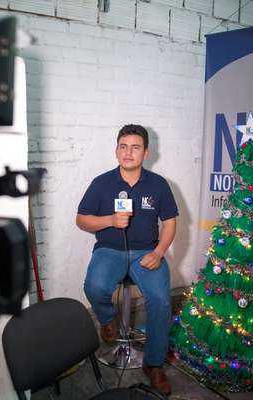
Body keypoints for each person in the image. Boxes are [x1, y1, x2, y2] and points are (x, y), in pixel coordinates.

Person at [76, 124, 177, 396]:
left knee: (160, 299)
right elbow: (82, 219)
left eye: (135, 147)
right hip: (109, 249)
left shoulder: (158, 184)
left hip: (147, 251)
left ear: (146, 152)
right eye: (123, 146)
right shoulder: (101, 183)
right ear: (116, 150)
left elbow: (169, 223)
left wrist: (158, 253)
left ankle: (154, 365)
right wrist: (109, 220)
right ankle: (107, 320)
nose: (128, 152)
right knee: (95, 287)